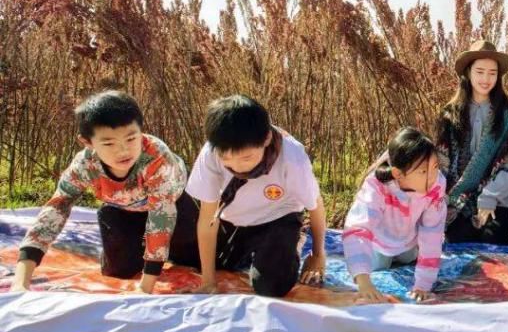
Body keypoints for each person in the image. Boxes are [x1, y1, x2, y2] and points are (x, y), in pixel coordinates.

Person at [12, 90, 190, 294]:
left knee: (193, 257)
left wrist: (145, 288)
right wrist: (21, 281)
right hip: (123, 209)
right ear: (88, 143)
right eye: (109, 143)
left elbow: (162, 216)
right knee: (119, 270)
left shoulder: (156, 157)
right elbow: (56, 208)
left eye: (131, 139)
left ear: (141, 131)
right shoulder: (85, 164)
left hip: (175, 202)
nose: (123, 151)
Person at [177, 95, 326, 297]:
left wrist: (318, 255)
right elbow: (207, 218)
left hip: (277, 218)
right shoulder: (211, 153)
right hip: (231, 219)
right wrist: (208, 281)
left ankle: (291, 244)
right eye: (227, 159)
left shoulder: (292, 156)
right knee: (188, 256)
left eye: (246, 158)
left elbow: (314, 204)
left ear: (266, 138)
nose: (237, 166)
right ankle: (250, 253)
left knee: (271, 285)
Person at [435, 40, 508, 245]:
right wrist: (439, 195)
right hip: (459, 196)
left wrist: (489, 197)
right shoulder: (450, 115)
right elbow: (441, 161)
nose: (486, 79)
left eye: (492, 73)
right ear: (468, 73)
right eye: (480, 71)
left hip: (499, 195)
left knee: (492, 238)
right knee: (458, 239)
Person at [341, 127, 446, 303]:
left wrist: (423, 285)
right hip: (380, 243)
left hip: (409, 242)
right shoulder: (376, 186)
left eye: (435, 167)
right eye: (423, 171)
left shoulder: (436, 185)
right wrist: (363, 281)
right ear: (398, 173)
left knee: (408, 258)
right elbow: (358, 228)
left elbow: (432, 232)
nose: (432, 177)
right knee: (378, 265)